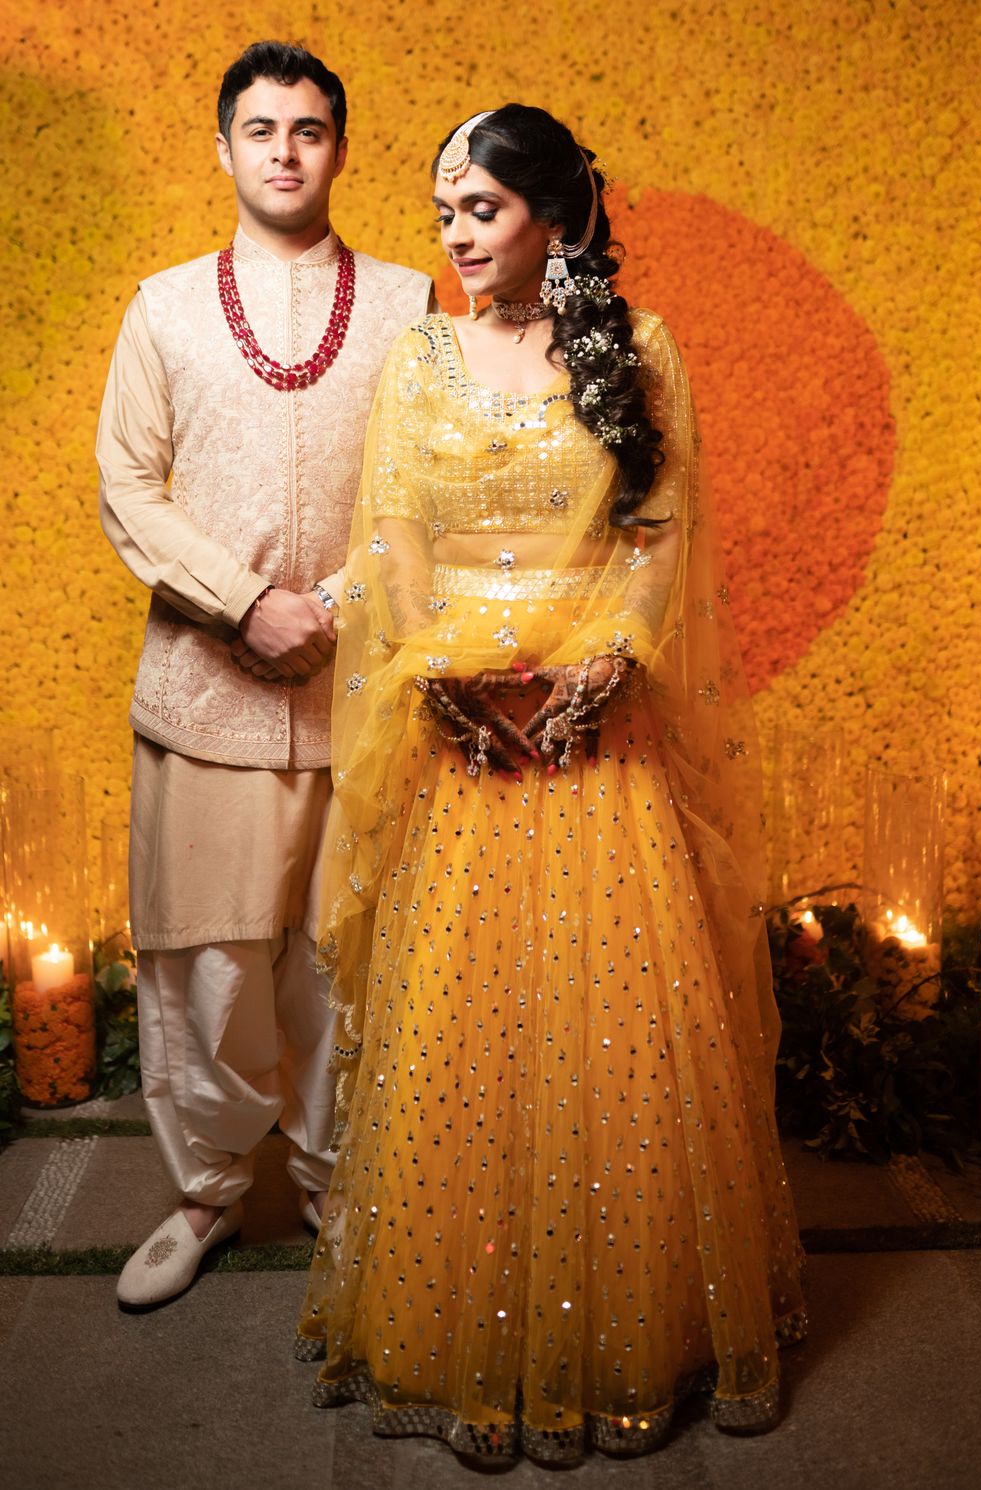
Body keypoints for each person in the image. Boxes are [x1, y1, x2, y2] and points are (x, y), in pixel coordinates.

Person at [295, 104, 805, 1462]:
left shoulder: (636, 351)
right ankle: (461, 1332)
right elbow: (393, 526)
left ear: (555, 215)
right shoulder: (418, 357)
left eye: (483, 209)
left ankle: (629, 1334)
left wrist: (616, 657)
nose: (457, 235)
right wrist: (431, 671)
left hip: (593, 736)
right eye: (446, 209)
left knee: (616, 1042)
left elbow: (657, 524)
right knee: (462, 1039)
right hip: (468, 734)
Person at [98, 41, 432, 1308]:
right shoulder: (164, 307)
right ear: (223, 147)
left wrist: (329, 610)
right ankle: (210, 1193)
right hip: (201, 695)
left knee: (349, 959)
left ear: (340, 147)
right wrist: (243, 601)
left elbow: (427, 490)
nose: (284, 150)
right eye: (260, 128)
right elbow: (127, 487)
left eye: (308, 128)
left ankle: (348, 1185)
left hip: (364, 695)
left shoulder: (408, 305)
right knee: (213, 965)